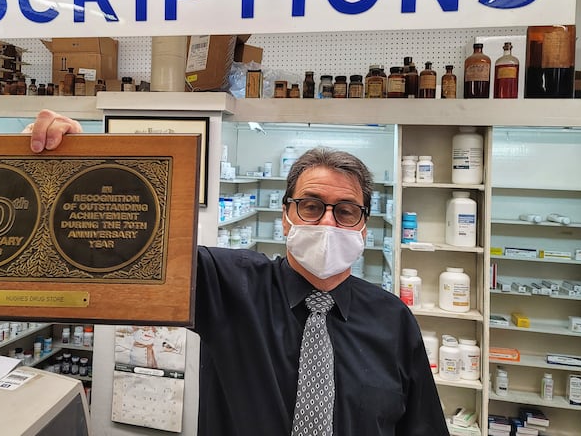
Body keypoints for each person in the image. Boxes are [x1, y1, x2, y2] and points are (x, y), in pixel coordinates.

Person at [29, 109, 450, 435]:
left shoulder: (392, 320)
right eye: (310, 206)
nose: (326, 223)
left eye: (344, 211)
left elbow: (422, 426)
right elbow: (127, 249)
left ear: (363, 224)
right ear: (286, 216)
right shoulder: (230, 285)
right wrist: (77, 166)